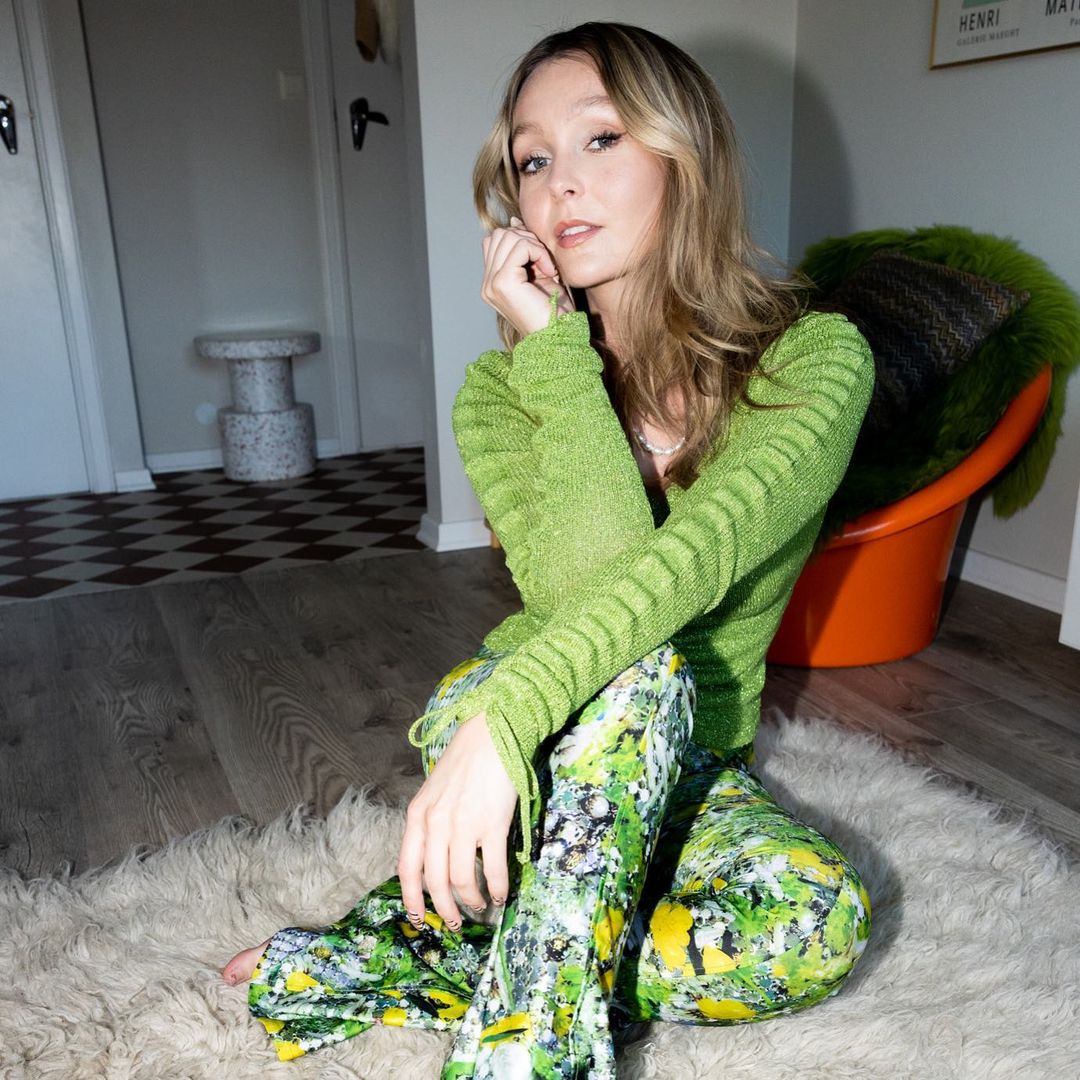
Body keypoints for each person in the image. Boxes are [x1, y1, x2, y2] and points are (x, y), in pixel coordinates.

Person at [223, 21, 874, 1078]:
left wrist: (510, 719)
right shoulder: (501, 392)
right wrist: (554, 356)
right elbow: (588, 589)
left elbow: (683, 571)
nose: (560, 183)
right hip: (530, 722)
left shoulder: (812, 361)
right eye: (532, 161)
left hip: (685, 759)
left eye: (601, 139)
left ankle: (428, 951)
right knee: (642, 677)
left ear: (686, 155)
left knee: (814, 925)